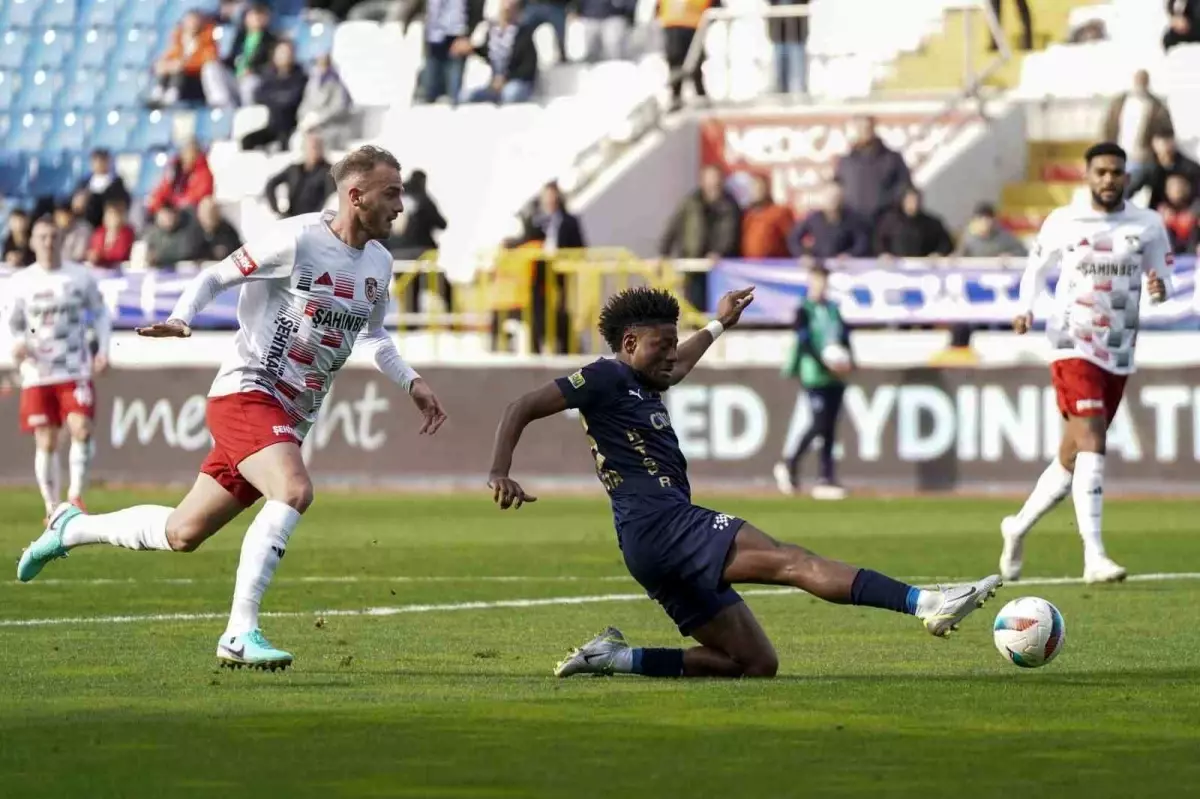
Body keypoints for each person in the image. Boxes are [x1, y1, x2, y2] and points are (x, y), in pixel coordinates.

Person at [16, 146, 450, 672]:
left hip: (290, 415)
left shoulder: (379, 263)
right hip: (247, 392)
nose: (401, 206)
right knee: (293, 490)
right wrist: (182, 318)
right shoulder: (298, 239)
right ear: (355, 197)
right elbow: (216, 276)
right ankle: (239, 632)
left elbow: (375, 335)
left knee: (182, 533)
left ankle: (70, 528)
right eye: (392, 193)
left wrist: (411, 381)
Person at [487, 286, 1001, 679]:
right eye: (661, 345)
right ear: (629, 343)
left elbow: (680, 364)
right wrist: (499, 471)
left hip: (645, 542)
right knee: (793, 560)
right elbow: (520, 405)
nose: (671, 355)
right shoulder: (602, 378)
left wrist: (719, 323)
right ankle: (926, 604)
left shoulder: (644, 380)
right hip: (664, 524)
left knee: (753, 663)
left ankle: (615, 658)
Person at [1001, 142, 1171, 585]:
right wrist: (1026, 309)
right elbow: (1034, 270)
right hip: (1071, 341)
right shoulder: (1064, 221)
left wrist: (1159, 288)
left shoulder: (1148, 225)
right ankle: (1094, 555)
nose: (1109, 179)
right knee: (1093, 436)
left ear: (1126, 178)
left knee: (1074, 454)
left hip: (1118, 349)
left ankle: (1017, 525)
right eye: (1101, 171)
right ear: (1088, 175)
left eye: (1116, 172)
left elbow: (1163, 276)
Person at [6, 217, 111, 519]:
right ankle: (51, 506)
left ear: (61, 240)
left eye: (53, 237)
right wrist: (15, 344)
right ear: (32, 241)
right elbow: (10, 323)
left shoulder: (79, 277)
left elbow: (101, 314)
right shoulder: (22, 281)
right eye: (42, 237)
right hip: (38, 371)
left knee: (81, 428)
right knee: (47, 439)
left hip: (74, 368)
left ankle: (75, 497)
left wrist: (102, 351)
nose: (48, 242)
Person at [773, 263, 852, 500]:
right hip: (814, 374)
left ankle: (826, 477)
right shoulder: (803, 310)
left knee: (829, 428)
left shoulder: (833, 310)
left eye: (824, 281)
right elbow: (805, 342)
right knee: (818, 423)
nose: (821, 285)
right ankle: (789, 464)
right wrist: (824, 363)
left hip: (836, 376)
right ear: (810, 282)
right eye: (817, 280)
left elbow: (845, 338)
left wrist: (848, 362)